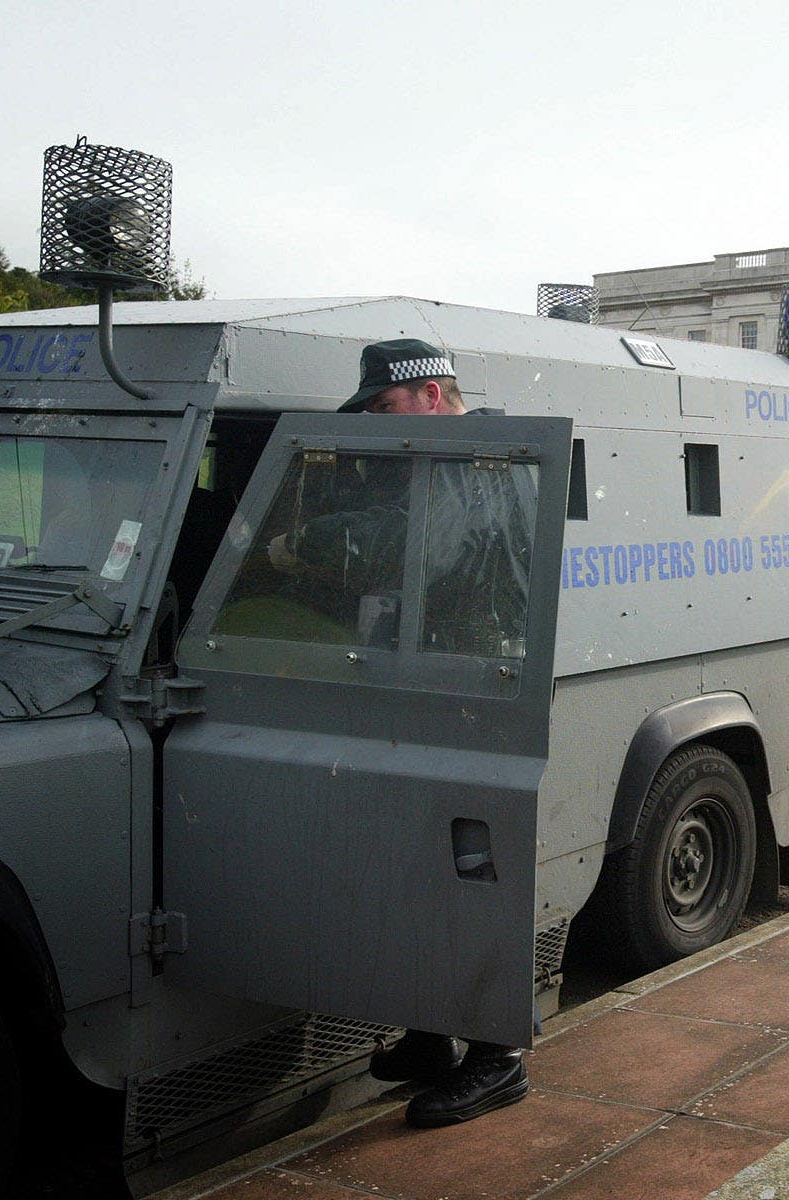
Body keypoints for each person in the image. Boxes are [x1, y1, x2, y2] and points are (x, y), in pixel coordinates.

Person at [292, 339, 531, 1127]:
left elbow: (413, 544)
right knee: (418, 865)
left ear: (428, 395)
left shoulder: (487, 458)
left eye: (383, 408)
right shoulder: (443, 457)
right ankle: (430, 1036)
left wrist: (295, 546)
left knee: (471, 875)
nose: (376, 427)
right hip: (429, 686)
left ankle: (498, 1060)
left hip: (476, 694)